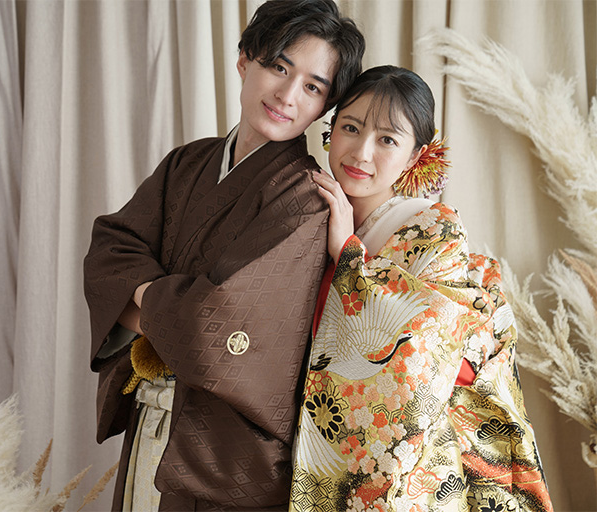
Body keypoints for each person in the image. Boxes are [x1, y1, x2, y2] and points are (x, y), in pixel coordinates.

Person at [82, 1, 365, 510]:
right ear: (244, 60)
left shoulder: (306, 200)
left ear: (325, 106)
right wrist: (170, 307)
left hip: (222, 458)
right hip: (151, 419)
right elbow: (109, 251)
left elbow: (211, 328)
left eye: (312, 87)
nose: (287, 95)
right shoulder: (187, 163)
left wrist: (140, 295)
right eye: (278, 67)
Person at [290, 66, 553, 511]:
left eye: (387, 140)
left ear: (415, 157)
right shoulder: (310, 205)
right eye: (351, 128)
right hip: (315, 438)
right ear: (330, 129)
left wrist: (348, 256)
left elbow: (437, 348)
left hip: (416, 463)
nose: (362, 152)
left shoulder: (434, 228)